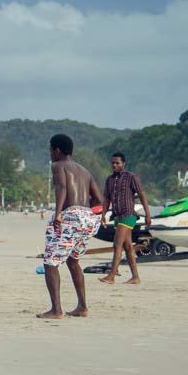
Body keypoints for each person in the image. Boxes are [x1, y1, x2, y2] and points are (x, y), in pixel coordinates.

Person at [37, 134, 103, 319]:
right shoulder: (84, 171)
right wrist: (90, 215)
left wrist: (58, 213)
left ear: (56, 150)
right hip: (88, 217)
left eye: (50, 150)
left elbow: (62, 188)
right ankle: (82, 307)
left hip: (70, 216)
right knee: (73, 261)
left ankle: (56, 310)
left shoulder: (58, 166)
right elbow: (99, 199)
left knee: (50, 262)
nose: (50, 154)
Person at [98, 152, 152, 285]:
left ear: (124, 164)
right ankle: (135, 277)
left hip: (128, 215)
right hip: (117, 215)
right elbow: (106, 199)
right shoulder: (109, 180)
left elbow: (142, 194)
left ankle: (111, 275)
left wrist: (148, 214)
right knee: (128, 247)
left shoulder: (131, 177)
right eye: (113, 163)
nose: (115, 165)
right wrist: (103, 215)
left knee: (117, 244)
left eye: (117, 163)